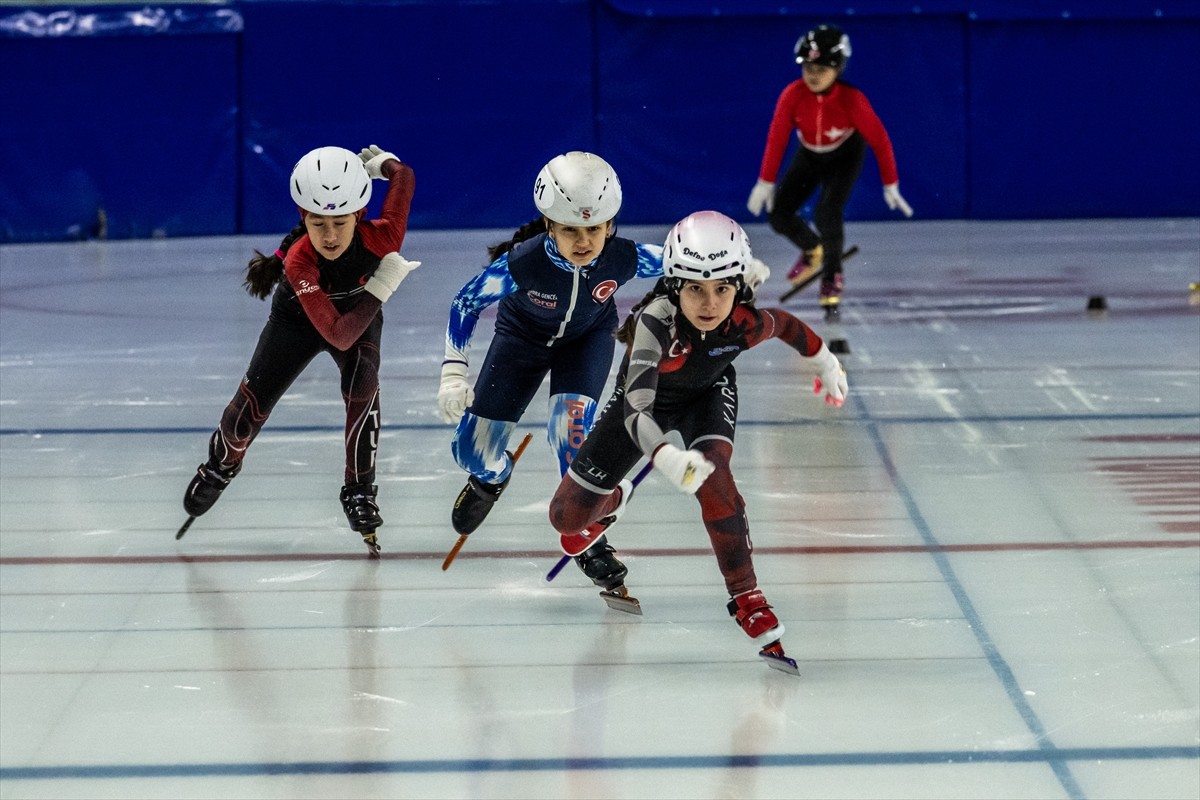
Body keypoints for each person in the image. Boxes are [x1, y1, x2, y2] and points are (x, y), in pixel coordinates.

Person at [546, 210, 847, 667]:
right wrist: (665, 456)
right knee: (566, 520)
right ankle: (613, 501)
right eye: (695, 289)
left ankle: (747, 596)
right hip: (641, 409)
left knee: (715, 480)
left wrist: (825, 360)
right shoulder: (655, 321)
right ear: (674, 285)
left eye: (722, 289)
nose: (709, 303)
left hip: (708, 395)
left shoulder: (742, 321)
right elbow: (637, 411)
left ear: (738, 287)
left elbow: (785, 324)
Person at [437, 151, 677, 582]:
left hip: (584, 343)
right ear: (549, 225)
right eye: (569, 230)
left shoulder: (623, 258)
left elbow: (686, 258)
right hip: (520, 342)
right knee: (470, 453)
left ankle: (587, 535)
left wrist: (737, 267)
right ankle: (493, 476)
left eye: (594, 229)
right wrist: (454, 371)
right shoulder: (523, 263)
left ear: (610, 224)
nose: (583, 242)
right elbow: (465, 301)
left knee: (567, 431)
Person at [179, 144, 419, 555]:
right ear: (301, 217)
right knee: (242, 420)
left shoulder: (383, 235)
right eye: (317, 222)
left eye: (340, 223)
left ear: (359, 215)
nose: (329, 236)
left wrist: (386, 164)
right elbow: (337, 335)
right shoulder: (298, 260)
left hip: (357, 315)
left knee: (364, 381)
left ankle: (359, 489)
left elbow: (404, 178)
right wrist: (382, 286)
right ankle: (221, 465)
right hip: (299, 321)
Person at [746, 24, 913, 314]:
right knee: (778, 215)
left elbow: (880, 140)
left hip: (844, 156)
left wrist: (891, 183)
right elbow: (777, 137)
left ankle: (831, 274)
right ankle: (813, 250)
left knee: (827, 213)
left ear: (838, 69)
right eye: (808, 67)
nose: (813, 75)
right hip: (809, 154)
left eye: (822, 69)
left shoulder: (853, 100)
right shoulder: (792, 95)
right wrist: (766, 181)